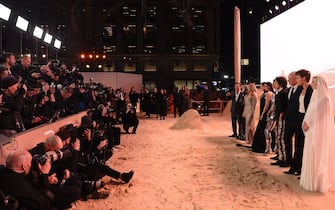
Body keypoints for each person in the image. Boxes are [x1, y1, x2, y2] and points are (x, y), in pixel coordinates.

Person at [300, 75, 335, 193]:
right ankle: (309, 180)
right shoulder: (315, 95)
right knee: (310, 152)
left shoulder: (325, 98)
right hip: (310, 131)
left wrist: (309, 124)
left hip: (317, 131)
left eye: (314, 82)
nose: (312, 84)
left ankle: (317, 182)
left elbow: (322, 118)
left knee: (316, 154)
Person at [285, 69, 313, 175]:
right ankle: (295, 167)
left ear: (304, 78)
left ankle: (301, 169)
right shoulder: (301, 89)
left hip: (306, 118)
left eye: (298, 78)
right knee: (298, 144)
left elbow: (310, 107)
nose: (296, 80)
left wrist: (307, 120)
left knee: (303, 145)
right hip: (299, 118)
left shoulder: (310, 90)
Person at [282, 72, 301, 168]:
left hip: (297, 120)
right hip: (289, 119)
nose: (288, 80)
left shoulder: (301, 89)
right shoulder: (289, 90)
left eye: (290, 78)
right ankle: (288, 160)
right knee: (286, 139)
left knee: (297, 142)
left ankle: (296, 163)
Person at [252, 82, 273, 153]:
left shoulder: (269, 93)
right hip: (262, 113)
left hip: (265, 113)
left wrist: (263, 114)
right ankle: (259, 146)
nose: (264, 87)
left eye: (266, 86)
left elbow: (266, 105)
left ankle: (262, 147)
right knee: (260, 129)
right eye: (264, 86)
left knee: (262, 129)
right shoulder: (264, 93)